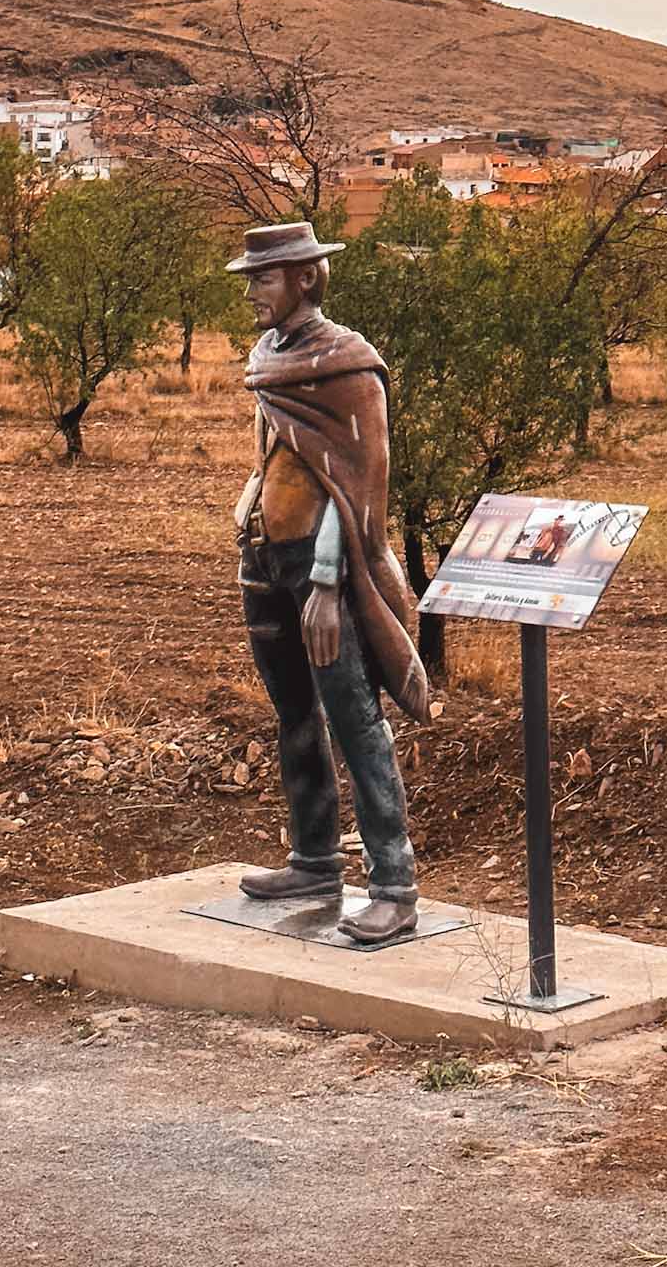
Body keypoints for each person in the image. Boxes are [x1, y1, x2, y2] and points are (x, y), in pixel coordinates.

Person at [228, 221, 430, 945]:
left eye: (264, 278)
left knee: (355, 718)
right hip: (265, 557)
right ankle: (314, 857)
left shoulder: (348, 364)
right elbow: (279, 459)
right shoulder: (268, 356)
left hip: (322, 571)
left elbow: (359, 488)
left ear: (306, 279)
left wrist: (323, 581)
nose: (252, 291)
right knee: (293, 715)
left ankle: (394, 886)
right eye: (250, 279)